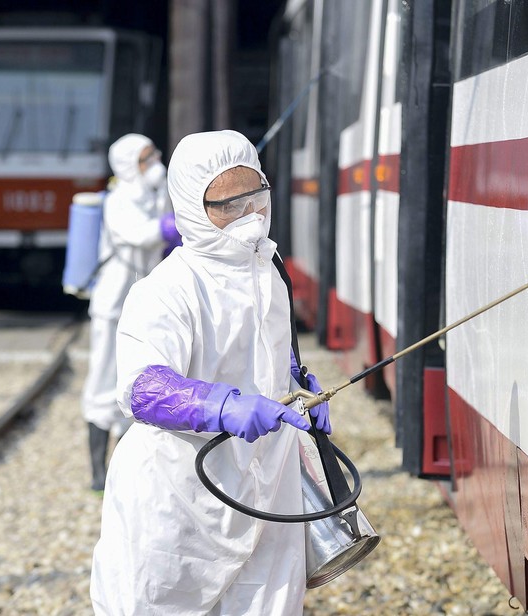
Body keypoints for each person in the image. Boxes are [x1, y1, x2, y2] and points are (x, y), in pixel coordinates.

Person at [89, 129, 331, 615]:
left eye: (256, 196)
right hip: (180, 492)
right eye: (229, 203)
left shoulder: (269, 270)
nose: (250, 217)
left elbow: (266, 348)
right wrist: (222, 405)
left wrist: (297, 385)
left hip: (266, 487)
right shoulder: (167, 288)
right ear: (192, 208)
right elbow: (143, 387)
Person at [82, 133, 181, 492]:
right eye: (145, 158)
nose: (154, 163)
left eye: (153, 154)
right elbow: (139, 236)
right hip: (112, 304)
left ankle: (124, 468)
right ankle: (96, 468)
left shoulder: (154, 196)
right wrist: (172, 226)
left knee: (134, 378)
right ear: (127, 166)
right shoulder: (119, 199)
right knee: (102, 380)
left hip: (141, 303)